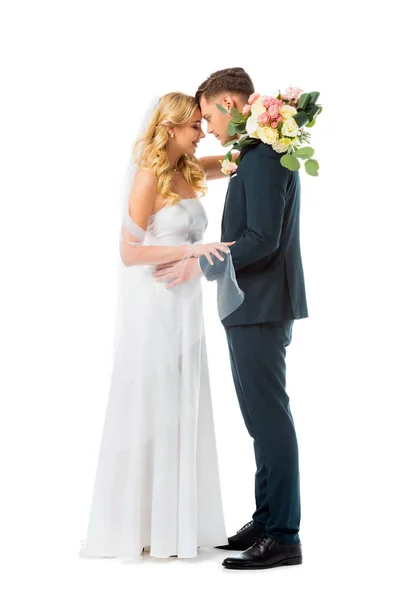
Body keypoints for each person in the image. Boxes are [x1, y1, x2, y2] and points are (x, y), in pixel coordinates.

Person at [155, 68, 308, 570]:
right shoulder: (259, 151)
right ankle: (266, 519)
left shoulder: (266, 155)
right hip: (251, 304)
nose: (208, 129)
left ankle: (284, 534)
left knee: (270, 421)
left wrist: (199, 262)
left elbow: (263, 240)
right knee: (259, 422)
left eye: (207, 116)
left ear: (227, 101)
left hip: (261, 304)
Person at [79, 92, 239, 560]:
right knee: (155, 403)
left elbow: (233, 161)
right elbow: (129, 253)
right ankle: (142, 523)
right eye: (194, 126)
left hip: (187, 306)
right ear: (169, 130)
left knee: (182, 402)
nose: (201, 132)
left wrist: (274, 128)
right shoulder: (148, 177)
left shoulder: (189, 169)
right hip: (157, 307)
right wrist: (191, 251)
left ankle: (176, 523)